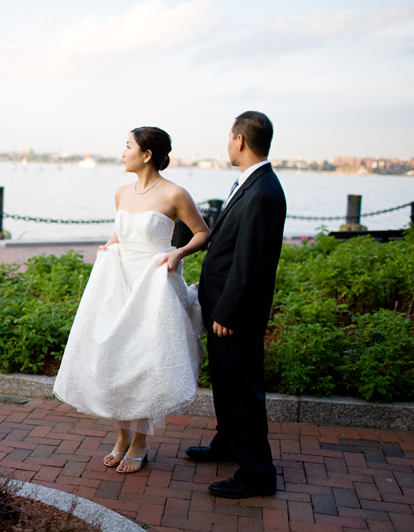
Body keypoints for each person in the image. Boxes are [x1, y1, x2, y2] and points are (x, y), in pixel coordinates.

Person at [53, 127, 210, 474]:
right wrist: (109, 244)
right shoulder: (122, 193)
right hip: (118, 281)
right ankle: (122, 437)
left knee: (141, 361)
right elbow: (124, 231)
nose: (122, 153)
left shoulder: (175, 193)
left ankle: (140, 443)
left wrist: (179, 253)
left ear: (147, 154)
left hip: (152, 286)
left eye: (127, 147)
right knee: (115, 359)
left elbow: (202, 233)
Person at [187, 111, 287, 498]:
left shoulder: (262, 191)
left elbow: (252, 263)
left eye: (229, 138)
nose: (227, 144)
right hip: (224, 304)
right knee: (228, 384)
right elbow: (230, 251)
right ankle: (227, 443)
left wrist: (228, 310)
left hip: (236, 314)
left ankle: (258, 472)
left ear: (240, 141)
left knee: (242, 389)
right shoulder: (251, 183)